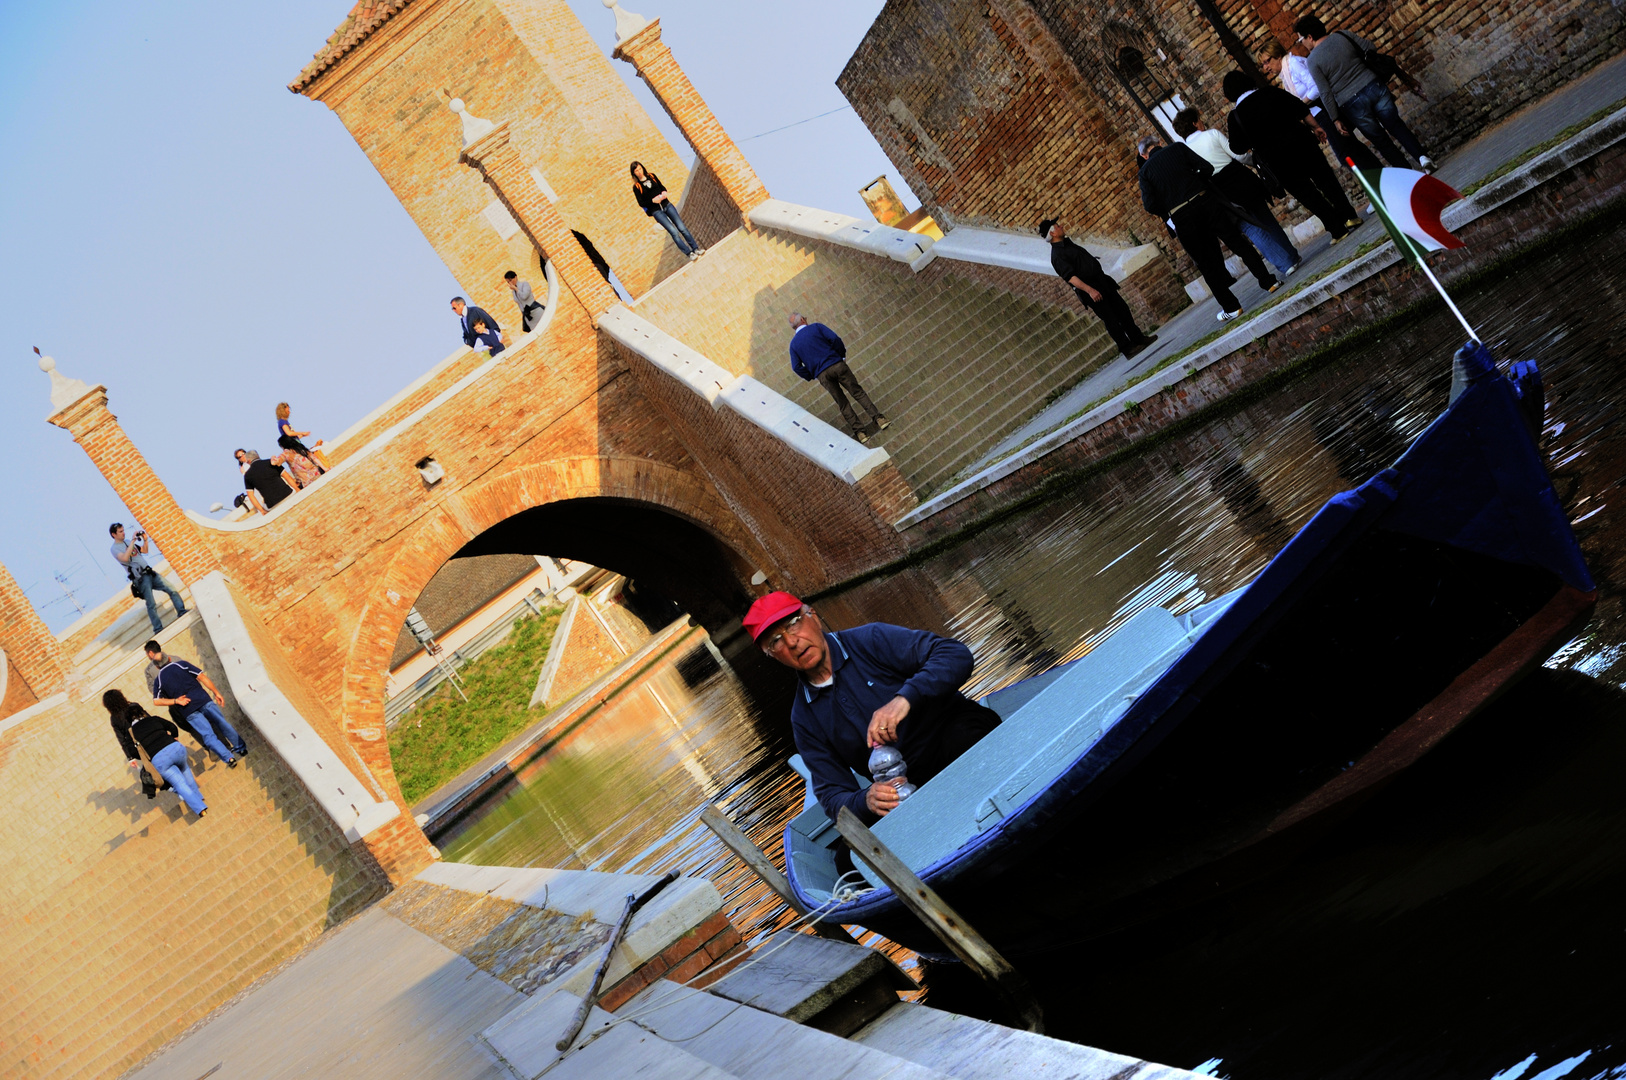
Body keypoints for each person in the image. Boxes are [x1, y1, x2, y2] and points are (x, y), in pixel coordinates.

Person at [744, 591, 1001, 823]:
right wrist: (866, 800)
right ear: (772, 655)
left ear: (813, 617)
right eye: (776, 640)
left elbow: (955, 654)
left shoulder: (871, 639)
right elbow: (833, 796)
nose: (791, 642)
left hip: (957, 740)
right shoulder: (804, 718)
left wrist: (904, 699)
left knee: (965, 739)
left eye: (793, 624)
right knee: (847, 860)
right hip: (907, 792)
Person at [1137, 135, 1279, 322]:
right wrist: (1196, 182)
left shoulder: (1145, 172)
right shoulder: (1178, 148)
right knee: (1237, 242)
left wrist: (1169, 203)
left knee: (1206, 265)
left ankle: (1232, 307)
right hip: (1205, 201)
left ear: (1144, 156)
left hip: (1182, 217)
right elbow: (1207, 168)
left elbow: (1150, 205)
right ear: (1159, 144)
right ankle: (1269, 282)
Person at [1225, 69, 1365, 244]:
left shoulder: (1236, 117)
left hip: (1277, 161)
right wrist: (1316, 127)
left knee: (1308, 195)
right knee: (1327, 181)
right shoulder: (1270, 92)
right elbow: (1300, 108)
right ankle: (1350, 216)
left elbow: (1237, 147)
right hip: (1302, 143)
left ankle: (1336, 228)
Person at [1172, 107, 1301, 277]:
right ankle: (1291, 256)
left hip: (1221, 193)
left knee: (1252, 229)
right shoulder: (1211, 134)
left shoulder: (1185, 151)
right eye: (1199, 119)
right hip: (1240, 180)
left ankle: (1285, 263)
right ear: (1195, 123)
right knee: (1266, 219)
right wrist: (1256, 162)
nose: (1202, 122)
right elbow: (1238, 156)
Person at [1296, 15, 1434, 171]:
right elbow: (1370, 47)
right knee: (1396, 125)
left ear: (1310, 36)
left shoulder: (1313, 60)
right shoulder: (1343, 35)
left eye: (1301, 40)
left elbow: (1325, 92)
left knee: (1381, 140)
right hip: (1373, 85)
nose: (1302, 44)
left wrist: (1335, 118)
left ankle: (1409, 176)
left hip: (1351, 103)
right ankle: (1423, 158)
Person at [1038, 219, 1158, 356]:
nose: (1061, 227)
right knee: (1111, 319)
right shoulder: (1057, 255)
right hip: (1091, 289)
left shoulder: (1068, 244)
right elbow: (1071, 278)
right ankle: (1127, 348)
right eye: (1057, 226)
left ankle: (1138, 338)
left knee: (1122, 309)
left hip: (1101, 281)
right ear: (1052, 233)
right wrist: (1090, 290)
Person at [1259, 39, 1380, 171]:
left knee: (1346, 153)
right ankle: (1377, 178)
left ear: (1277, 55)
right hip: (1319, 116)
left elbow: (1316, 87)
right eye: (1263, 64)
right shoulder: (1286, 73)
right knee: (1350, 149)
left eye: (1267, 61)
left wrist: (1300, 105)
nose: (1266, 67)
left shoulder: (1294, 64)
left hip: (1324, 112)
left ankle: (1377, 179)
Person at [787, 314, 889, 444]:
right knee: (857, 392)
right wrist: (841, 356)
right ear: (802, 320)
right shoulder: (816, 327)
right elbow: (834, 339)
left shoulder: (794, 345)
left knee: (842, 402)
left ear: (793, 327)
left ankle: (860, 433)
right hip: (836, 364)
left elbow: (796, 367)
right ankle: (879, 419)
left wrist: (812, 374)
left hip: (822, 374)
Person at [146, 640, 247, 767]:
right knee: (222, 724)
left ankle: (229, 759)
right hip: (203, 699)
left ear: (156, 666)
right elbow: (202, 677)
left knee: (207, 735)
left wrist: (176, 700)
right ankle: (240, 748)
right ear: (169, 658)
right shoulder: (181, 664)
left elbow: (156, 701)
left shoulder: (159, 680)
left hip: (188, 710)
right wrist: (216, 692)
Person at [123, 701, 208, 817]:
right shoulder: (153, 719)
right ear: (142, 711)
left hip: (159, 759)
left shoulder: (130, 734)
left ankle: (201, 809)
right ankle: (199, 798)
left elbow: (133, 752)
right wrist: (175, 738)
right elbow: (172, 727)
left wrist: (147, 754)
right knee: (186, 771)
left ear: (127, 719)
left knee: (179, 784)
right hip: (176, 748)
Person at [109, 522, 187, 634]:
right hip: (140, 578)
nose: (123, 533)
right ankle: (158, 629)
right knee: (151, 604)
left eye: (123, 530)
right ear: (114, 534)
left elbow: (144, 551)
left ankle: (181, 611)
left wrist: (145, 540)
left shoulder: (127, 543)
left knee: (171, 589)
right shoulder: (115, 548)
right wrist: (132, 541)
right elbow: (125, 558)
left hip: (149, 572)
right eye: (120, 532)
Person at [631, 161, 704, 261]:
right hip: (657, 211)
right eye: (636, 171)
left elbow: (661, 187)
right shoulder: (637, 187)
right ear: (634, 173)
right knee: (673, 232)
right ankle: (689, 253)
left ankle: (695, 249)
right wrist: (652, 200)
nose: (639, 171)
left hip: (667, 205)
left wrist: (664, 192)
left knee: (682, 227)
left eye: (640, 169)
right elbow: (641, 203)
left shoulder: (652, 176)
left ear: (642, 168)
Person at [103, 688, 165, 800]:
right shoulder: (134, 706)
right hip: (152, 736)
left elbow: (121, 739)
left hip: (139, 746)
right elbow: (149, 718)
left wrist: (130, 757)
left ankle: (165, 785)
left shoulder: (114, 719)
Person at [236, 449, 296, 513]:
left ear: (248, 461)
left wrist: (262, 511)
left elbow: (250, 495)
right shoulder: (270, 462)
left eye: (243, 454)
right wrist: (298, 490)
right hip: (288, 494)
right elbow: (287, 477)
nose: (242, 456)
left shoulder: (247, 475)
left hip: (272, 504)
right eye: (240, 456)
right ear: (257, 456)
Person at [276, 403, 328, 472]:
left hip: (295, 443)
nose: (289, 412)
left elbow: (294, 437)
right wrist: (302, 432)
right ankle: (324, 468)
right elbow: (289, 433)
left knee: (309, 456)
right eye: (288, 411)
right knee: (310, 455)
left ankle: (322, 469)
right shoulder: (282, 422)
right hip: (294, 446)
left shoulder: (285, 421)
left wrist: (302, 435)